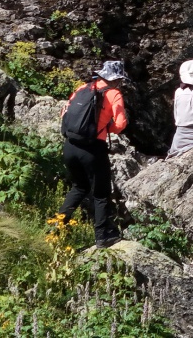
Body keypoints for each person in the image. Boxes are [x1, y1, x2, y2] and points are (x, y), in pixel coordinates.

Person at [58, 60, 129, 248]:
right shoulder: (114, 94)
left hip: (70, 146)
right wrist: (107, 128)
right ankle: (102, 236)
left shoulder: (83, 88)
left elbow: (65, 112)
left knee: (79, 187)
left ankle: (57, 227)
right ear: (116, 79)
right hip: (92, 149)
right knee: (100, 193)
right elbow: (121, 125)